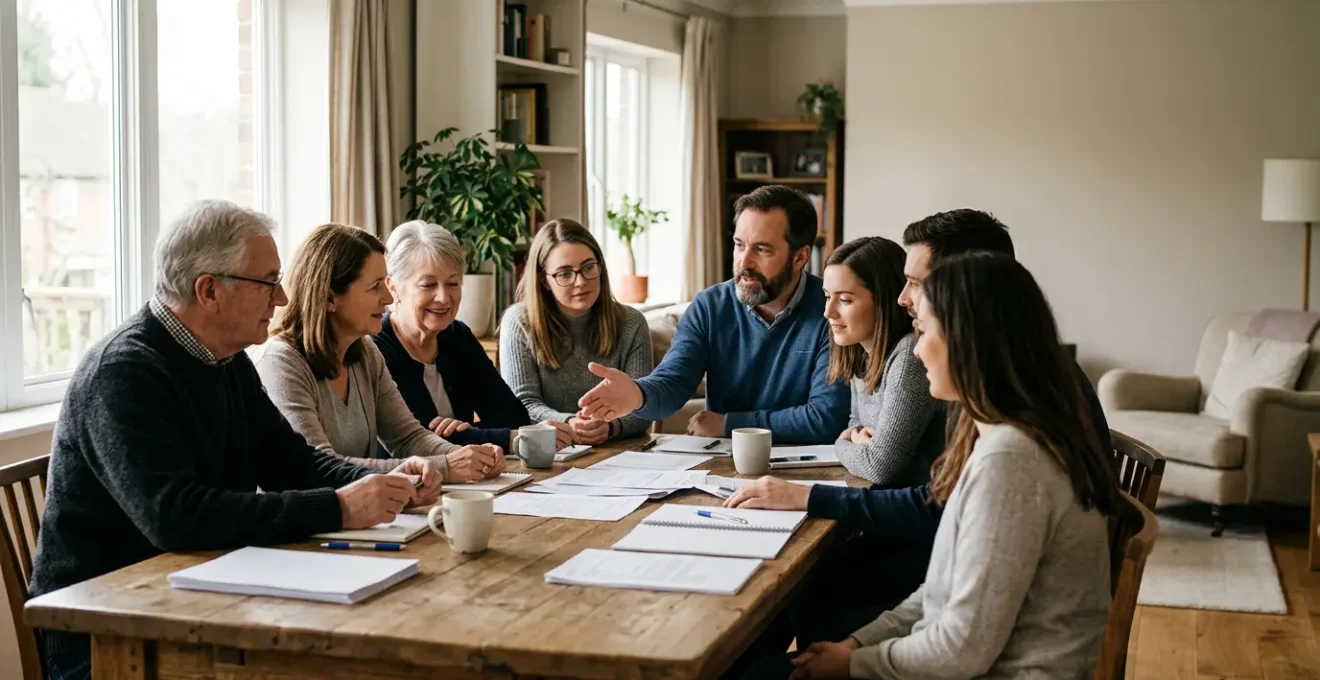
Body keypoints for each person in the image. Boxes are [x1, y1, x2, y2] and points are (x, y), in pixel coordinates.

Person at [28, 201, 440, 680]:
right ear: (209, 291)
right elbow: (178, 518)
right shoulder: (124, 372)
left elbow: (291, 462)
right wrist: (339, 507)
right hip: (104, 635)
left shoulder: (225, 359)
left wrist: (389, 483)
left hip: (199, 596)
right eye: (268, 282)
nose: (282, 298)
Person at [724, 208, 1113, 655]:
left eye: (917, 284)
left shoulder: (1014, 433)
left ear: (968, 290)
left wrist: (855, 659)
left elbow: (962, 626)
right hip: (964, 585)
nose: (902, 298)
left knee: (800, 591)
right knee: (801, 588)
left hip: (1001, 632)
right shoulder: (1009, 385)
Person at [576, 185, 850, 444]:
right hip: (724, 461)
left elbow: (826, 417)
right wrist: (637, 394)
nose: (744, 262)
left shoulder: (831, 312)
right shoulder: (710, 306)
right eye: (739, 245)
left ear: (800, 257)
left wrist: (729, 423)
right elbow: (674, 383)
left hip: (807, 463)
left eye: (762, 250)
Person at [255, 223, 504, 483]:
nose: (388, 297)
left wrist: (470, 457)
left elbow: (408, 437)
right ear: (329, 297)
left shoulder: (365, 352)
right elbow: (318, 467)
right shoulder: (280, 363)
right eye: (375, 287)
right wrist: (445, 466)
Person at [371, 220, 572, 454]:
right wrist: (501, 437)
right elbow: (415, 441)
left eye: (452, 283)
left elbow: (513, 415)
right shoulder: (375, 350)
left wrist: (467, 432)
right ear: (393, 287)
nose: (443, 297)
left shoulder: (458, 337)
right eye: (428, 285)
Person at [499, 219, 654, 444]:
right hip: (550, 450)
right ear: (544, 280)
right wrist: (570, 423)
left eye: (588, 267)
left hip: (619, 450)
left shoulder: (632, 322)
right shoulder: (519, 322)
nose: (580, 281)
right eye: (564, 274)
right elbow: (523, 404)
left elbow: (644, 404)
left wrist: (612, 427)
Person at [823, 236, 944, 486]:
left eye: (844, 300)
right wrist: (858, 442)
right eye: (827, 296)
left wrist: (840, 445)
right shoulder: (861, 351)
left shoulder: (909, 356)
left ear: (883, 301)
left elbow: (879, 467)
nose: (828, 312)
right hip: (884, 496)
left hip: (917, 504)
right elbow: (856, 425)